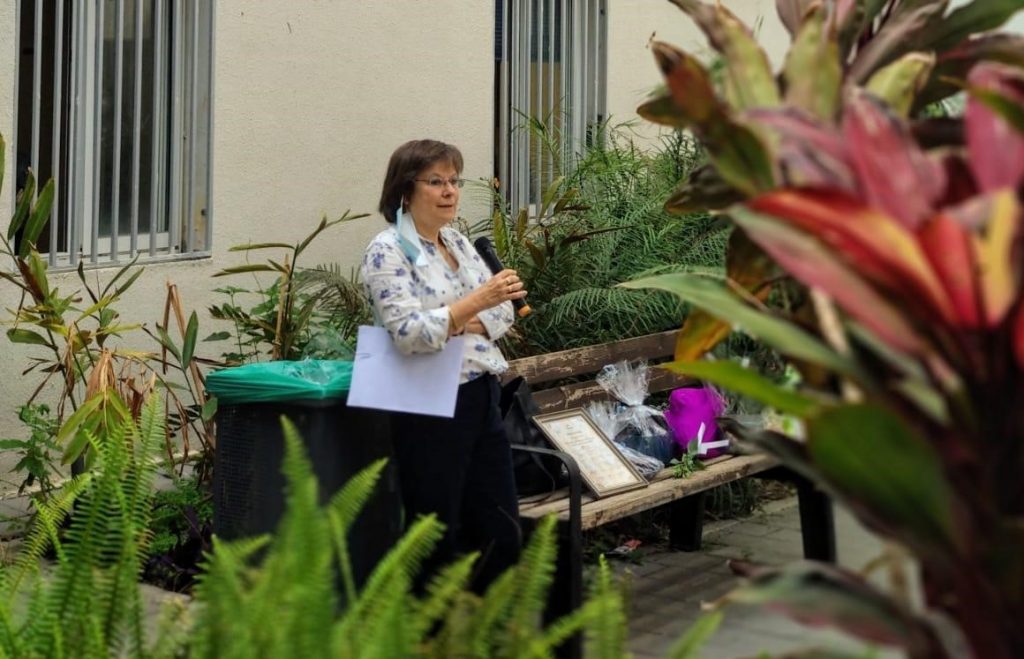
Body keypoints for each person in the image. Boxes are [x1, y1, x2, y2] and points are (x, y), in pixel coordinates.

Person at [360, 139, 528, 592]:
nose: (450, 191)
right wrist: (472, 306)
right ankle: (433, 624)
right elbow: (407, 333)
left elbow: (503, 314)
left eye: (454, 181)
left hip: (480, 392)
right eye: (436, 182)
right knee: (436, 532)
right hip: (427, 403)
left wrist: (454, 320)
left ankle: (489, 621)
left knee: (498, 524)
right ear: (405, 190)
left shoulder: (457, 241)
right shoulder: (387, 250)